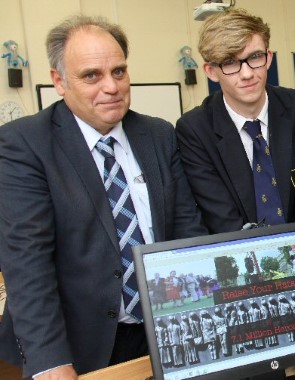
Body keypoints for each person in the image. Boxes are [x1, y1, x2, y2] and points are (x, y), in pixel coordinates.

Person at [0, 15, 206, 379]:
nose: (111, 87)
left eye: (119, 71)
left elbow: (187, 233)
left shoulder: (158, 134)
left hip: (164, 333)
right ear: (59, 81)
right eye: (91, 75)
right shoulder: (24, 144)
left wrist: (206, 318)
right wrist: (50, 361)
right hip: (80, 344)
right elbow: (27, 263)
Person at [176, 8, 295, 233]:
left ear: (269, 58)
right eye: (230, 62)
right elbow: (222, 219)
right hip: (240, 253)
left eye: (255, 57)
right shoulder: (195, 130)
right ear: (211, 71)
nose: (247, 73)